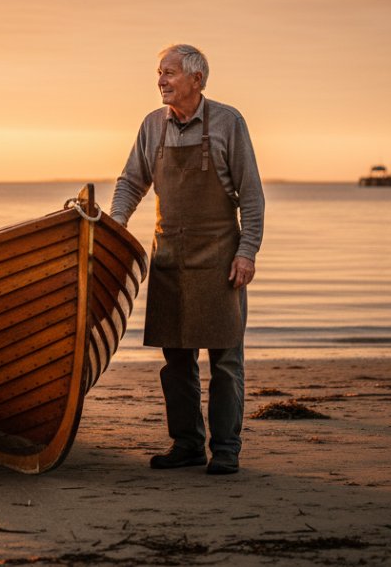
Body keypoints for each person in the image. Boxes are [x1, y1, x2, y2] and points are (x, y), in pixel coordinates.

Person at [110, 44, 264, 476]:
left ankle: (227, 448)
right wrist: (116, 227)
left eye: (170, 73)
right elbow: (130, 183)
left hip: (219, 258)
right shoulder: (151, 126)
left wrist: (247, 252)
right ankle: (188, 445)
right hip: (169, 259)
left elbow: (251, 196)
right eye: (159, 72)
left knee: (225, 360)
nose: (161, 80)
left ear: (197, 79)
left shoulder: (228, 123)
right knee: (176, 361)